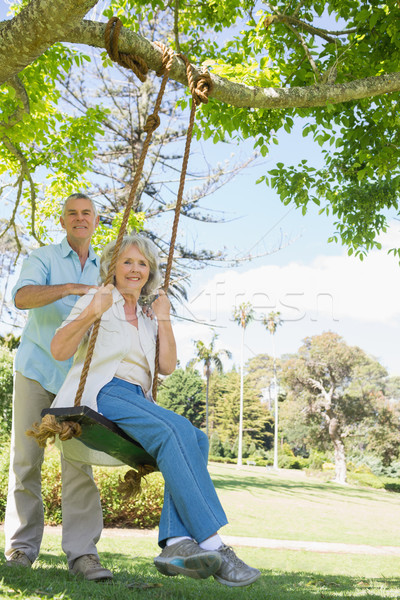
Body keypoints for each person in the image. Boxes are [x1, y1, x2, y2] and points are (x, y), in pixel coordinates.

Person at [49, 233, 261, 587]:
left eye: (142, 263)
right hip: (104, 390)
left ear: (151, 272)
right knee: (174, 430)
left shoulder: (149, 317)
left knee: (197, 438)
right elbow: (59, 348)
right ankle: (214, 545)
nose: (134, 269)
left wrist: (164, 318)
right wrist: (91, 311)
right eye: (127, 262)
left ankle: (176, 541)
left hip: (137, 398)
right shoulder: (98, 299)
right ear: (112, 267)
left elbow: (166, 366)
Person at [4, 193, 113, 581]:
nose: (80, 219)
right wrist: (69, 287)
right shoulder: (43, 259)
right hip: (36, 371)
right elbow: (20, 297)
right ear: (63, 221)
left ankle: (83, 555)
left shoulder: (108, 268)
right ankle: (21, 548)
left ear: (96, 222)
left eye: (87, 214)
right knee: (26, 462)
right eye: (72, 214)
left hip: (79, 382)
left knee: (79, 464)